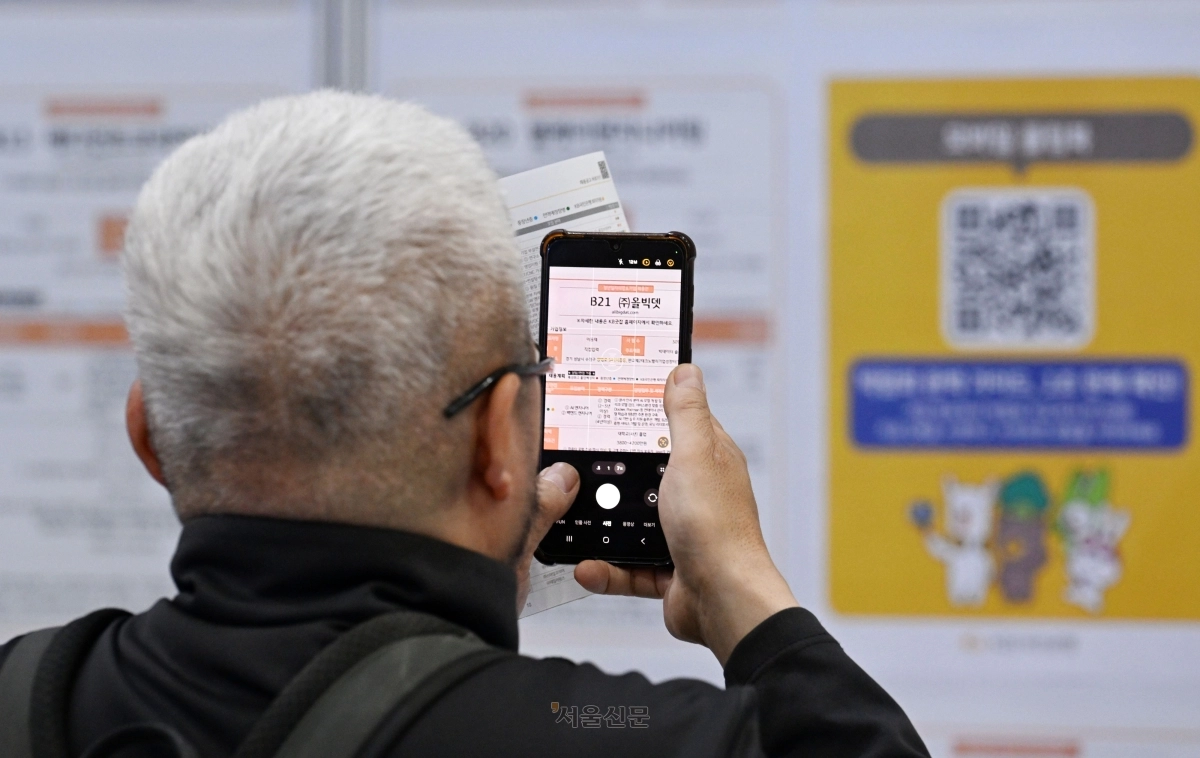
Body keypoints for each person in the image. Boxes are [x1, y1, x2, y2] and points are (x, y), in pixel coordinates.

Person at [0, 91, 929, 758]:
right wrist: (742, 594)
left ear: (150, 439)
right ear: (497, 439)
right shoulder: (624, 735)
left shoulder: (16, 695)